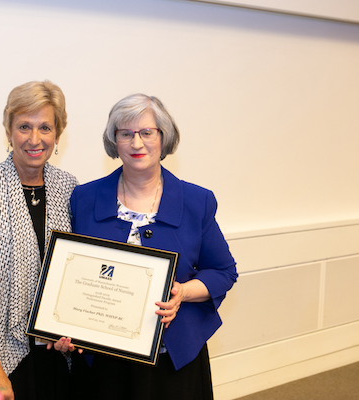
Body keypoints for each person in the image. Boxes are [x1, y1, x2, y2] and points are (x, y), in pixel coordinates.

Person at [69, 94, 238, 400]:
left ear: (163, 137)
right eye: (125, 134)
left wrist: (183, 292)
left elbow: (224, 271)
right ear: (114, 141)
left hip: (172, 359)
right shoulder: (83, 198)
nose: (137, 144)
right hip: (103, 361)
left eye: (146, 133)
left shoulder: (196, 201)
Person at [0, 80, 79, 400]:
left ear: (57, 136)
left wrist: (73, 327)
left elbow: (76, 270)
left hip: (54, 352)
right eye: (24, 126)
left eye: (45, 128)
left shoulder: (71, 187)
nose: (35, 139)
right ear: (8, 132)